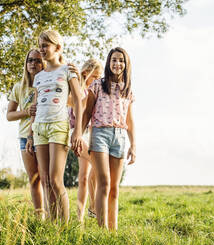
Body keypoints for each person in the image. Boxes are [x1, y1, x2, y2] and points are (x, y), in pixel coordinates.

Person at [26, 29, 83, 223]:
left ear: (57, 48)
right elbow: (36, 106)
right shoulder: (39, 77)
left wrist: (78, 131)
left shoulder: (68, 70)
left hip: (58, 127)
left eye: (45, 46)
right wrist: (30, 135)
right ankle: (52, 227)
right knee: (46, 181)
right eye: (40, 45)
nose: (41, 50)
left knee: (56, 180)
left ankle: (64, 229)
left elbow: (78, 101)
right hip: (40, 128)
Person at [81, 47, 136, 230]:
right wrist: (78, 134)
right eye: (113, 60)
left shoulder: (127, 90)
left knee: (114, 188)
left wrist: (133, 145)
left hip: (120, 137)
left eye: (121, 60)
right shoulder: (97, 85)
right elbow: (87, 111)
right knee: (103, 183)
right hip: (100, 134)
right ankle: (102, 230)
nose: (117, 63)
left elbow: (129, 120)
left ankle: (113, 231)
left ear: (125, 65)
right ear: (108, 63)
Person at [6, 49, 44, 215]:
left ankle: (53, 215)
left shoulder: (46, 85)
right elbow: (9, 115)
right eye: (30, 60)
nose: (33, 64)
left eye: (37, 60)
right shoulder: (18, 88)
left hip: (43, 134)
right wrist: (26, 112)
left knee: (47, 178)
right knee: (34, 178)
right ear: (26, 63)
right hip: (24, 137)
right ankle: (39, 215)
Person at [68, 59, 103, 222]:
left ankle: (79, 217)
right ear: (84, 74)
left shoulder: (94, 91)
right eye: (94, 76)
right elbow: (75, 107)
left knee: (83, 177)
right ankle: (93, 206)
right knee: (97, 163)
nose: (96, 80)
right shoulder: (79, 90)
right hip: (76, 132)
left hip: (88, 133)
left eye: (99, 77)